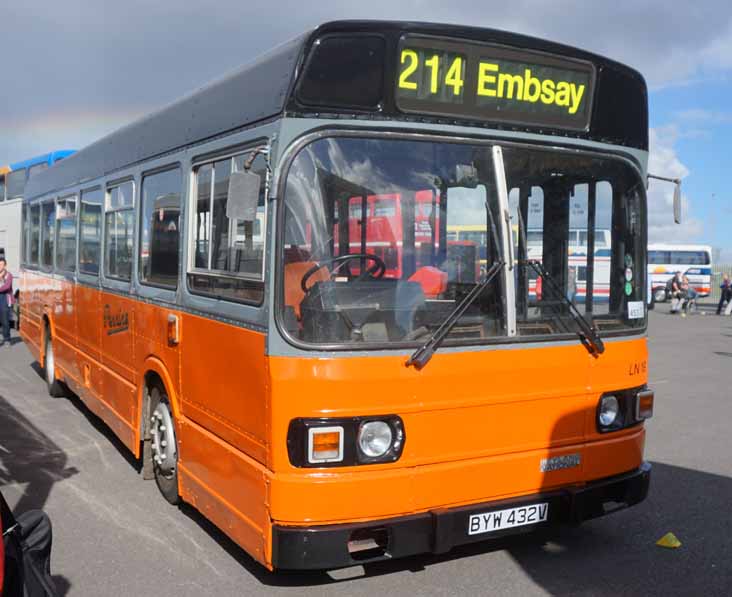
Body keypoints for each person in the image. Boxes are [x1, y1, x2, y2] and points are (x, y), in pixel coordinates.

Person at [0, 258, 14, 346]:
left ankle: (7, 338)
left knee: (4, 319)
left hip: (4, 297)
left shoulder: (9, 275)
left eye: (1, 264)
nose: (0, 266)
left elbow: (7, 287)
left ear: (5, 265)